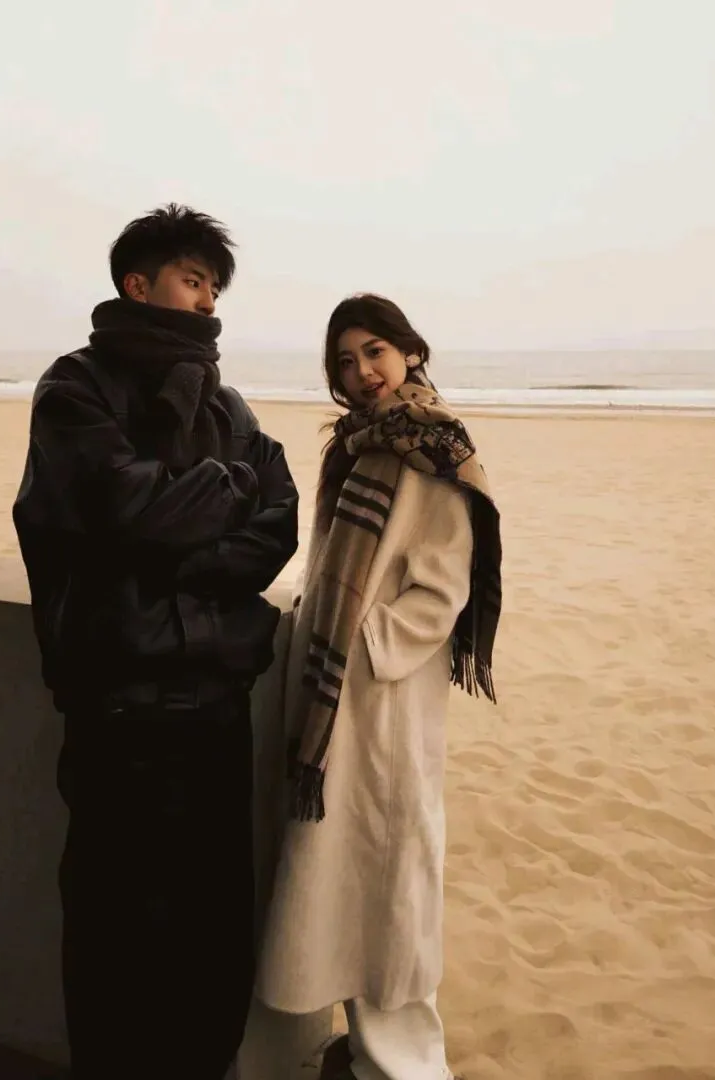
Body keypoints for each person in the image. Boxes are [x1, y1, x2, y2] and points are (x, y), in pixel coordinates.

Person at [12, 204, 299, 1079]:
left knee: (213, 924)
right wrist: (225, 492)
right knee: (115, 925)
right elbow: (122, 505)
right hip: (118, 709)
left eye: (215, 286)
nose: (208, 300)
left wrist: (186, 549)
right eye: (192, 279)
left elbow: (280, 518)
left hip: (216, 706)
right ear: (138, 285)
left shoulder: (229, 404)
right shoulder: (76, 388)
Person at [255, 294, 503, 1080]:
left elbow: (443, 589)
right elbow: (331, 558)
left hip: (383, 698)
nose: (362, 371)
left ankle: (408, 1064)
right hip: (337, 698)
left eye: (374, 352)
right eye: (345, 360)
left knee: (392, 874)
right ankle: (368, 1050)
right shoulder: (358, 446)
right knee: (346, 874)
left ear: (409, 351)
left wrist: (365, 648)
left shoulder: (434, 444)